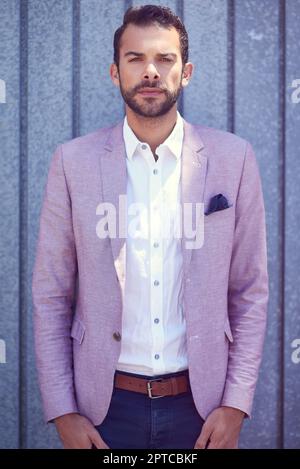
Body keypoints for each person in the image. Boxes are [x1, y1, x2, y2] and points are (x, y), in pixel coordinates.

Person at [32, 4, 269, 449]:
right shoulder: (73, 163)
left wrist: (236, 404)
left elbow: (250, 292)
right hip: (103, 407)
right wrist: (62, 411)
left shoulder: (233, 159)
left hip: (201, 409)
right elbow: (51, 294)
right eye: (135, 58)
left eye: (164, 59)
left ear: (187, 71)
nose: (151, 72)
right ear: (114, 71)